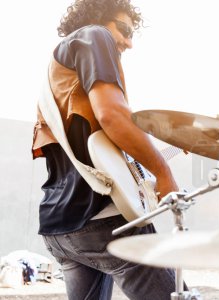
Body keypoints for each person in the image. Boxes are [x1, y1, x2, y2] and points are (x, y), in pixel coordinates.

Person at [31, 0, 183, 299]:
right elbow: (112, 116)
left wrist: (168, 147)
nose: (128, 42)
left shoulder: (57, 74)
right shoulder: (94, 35)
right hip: (103, 220)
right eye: (124, 30)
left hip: (60, 227)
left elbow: (98, 141)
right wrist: (163, 173)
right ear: (99, 19)